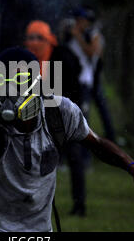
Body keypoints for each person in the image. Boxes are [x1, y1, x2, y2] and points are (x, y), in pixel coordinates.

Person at [0, 47, 134, 232]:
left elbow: (97, 144)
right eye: (3, 84)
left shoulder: (60, 111)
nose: (10, 93)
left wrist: (133, 167)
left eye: (20, 83)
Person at [24, 20, 88, 217]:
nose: (34, 43)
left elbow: (74, 91)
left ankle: (79, 205)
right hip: (36, 119)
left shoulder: (63, 57)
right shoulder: (25, 60)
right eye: (30, 38)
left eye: (39, 38)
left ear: (49, 39)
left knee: (75, 158)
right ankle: (30, 204)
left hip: (64, 116)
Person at [70, 6, 116, 142]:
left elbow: (92, 52)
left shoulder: (91, 34)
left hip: (91, 78)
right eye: (78, 21)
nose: (80, 24)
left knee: (93, 108)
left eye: (82, 20)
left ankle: (108, 138)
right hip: (80, 78)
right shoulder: (75, 34)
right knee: (83, 109)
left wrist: (77, 35)